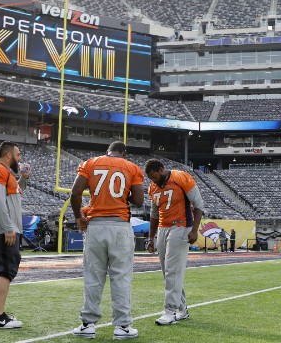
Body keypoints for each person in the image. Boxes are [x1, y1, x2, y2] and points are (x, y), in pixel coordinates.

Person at [70, 142, 144, 340]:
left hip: (95, 226)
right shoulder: (132, 167)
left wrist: (79, 217)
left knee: (93, 276)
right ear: (124, 153)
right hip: (120, 226)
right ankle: (122, 326)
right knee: (121, 277)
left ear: (107, 152)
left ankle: (88, 324)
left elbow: (76, 192)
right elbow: (139, 200)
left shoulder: (91, 163)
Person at [145, 159, 204, 326]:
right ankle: (182, 308)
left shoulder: (180, 177)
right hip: (163, 228)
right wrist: (151, 238)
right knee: (168, 271)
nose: (154, 181)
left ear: (162, 169)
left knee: (172, 270)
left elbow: (199, 205)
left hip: (181, 226)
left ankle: (169, 311)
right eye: (151, 179)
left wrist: (194, 230)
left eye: (155, 177)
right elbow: (154, 214)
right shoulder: (153, 187)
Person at [0, 141, 30, 329]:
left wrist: (24, 178)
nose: (20, 158)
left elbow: (15, 194)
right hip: (3, 230)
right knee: (4, 271)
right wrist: (8, 227)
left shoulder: (6, 173)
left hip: (4, 228)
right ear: (9, 155)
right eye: (18, 155)